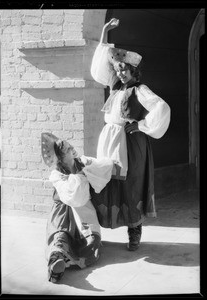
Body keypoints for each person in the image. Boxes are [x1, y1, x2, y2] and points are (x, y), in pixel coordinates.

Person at [90, 18, 171, 251]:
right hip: (110, 140)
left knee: (131, 186)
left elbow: (161, 107)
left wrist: (142, 125)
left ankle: (134, 234)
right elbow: (100, 67)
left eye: (125, 69)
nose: (120, 72)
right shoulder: (115, 86)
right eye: (118, 69)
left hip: (131, 144)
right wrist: (104, 31)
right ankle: (96, 229)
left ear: (134, 71)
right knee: (107, 182)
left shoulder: (140, 89)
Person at [41, 132, 114, 283]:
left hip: (84, 211)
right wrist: (82, 175)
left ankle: (65, 261)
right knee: (61, 237)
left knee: (92, 241)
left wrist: (89, 171)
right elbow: (72, 196)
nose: (72, 149)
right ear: (60, 157)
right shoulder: (57, 174)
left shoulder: (82, 161)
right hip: (64, 212)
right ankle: (56, 265)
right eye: (68, 149)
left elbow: (103, 166)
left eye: (70, 146)